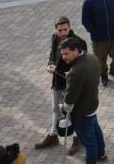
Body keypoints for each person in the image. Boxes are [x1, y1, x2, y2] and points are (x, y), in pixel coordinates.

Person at [35, 17, 85, 154]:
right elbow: (52, 54)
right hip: (57, 82)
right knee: (56, 109)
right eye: (59, 30)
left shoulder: (79, 42)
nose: (62, 33)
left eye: (65, 29)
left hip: (71, 84)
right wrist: (50, 64)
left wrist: (66, 72)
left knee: (73, 112)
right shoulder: (54, 38)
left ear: (70, 27)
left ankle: (77, 138)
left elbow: (81, 64)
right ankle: (53, 135)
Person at [59, 36, 107, 164]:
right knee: (96, 129)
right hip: (93, 104)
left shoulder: (75, 72)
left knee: (88, 141)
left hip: (82, 112)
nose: (64, 57)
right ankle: (101, 154)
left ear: (76, 51)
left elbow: (69, 101)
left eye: (66, 53)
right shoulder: (91, 58)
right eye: (62, 54)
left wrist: (62, 108)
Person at [81, 0, 114, 87]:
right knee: (100, 59)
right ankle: (103, 75)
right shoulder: (88, 3)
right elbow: (85, 21)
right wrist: (95, 32)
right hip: (99, 39)